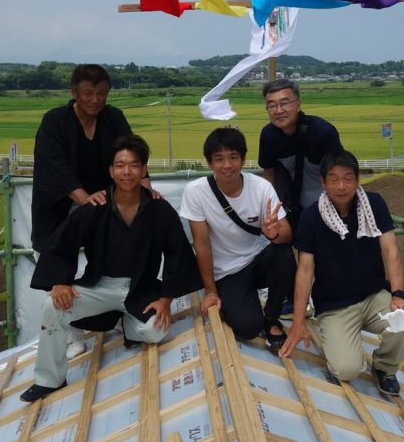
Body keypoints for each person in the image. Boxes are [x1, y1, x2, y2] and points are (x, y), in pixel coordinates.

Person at [20, 135, 201, 402]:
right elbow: (62, 242)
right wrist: (59, 281)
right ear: (111, 170)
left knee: (154, 332)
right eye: (120, 165)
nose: (127, 172)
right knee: (52, 306)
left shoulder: (160, 210)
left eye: (134, 165)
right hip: (100, 286)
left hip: (141, 289)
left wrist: (165, 300)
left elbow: (178, 253)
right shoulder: (96, 206)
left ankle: (129, 323)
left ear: (143, 169)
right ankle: (49, 379)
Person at [278, 149, 404, 397]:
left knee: (403, 322)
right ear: (323, 182)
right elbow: (305, 271)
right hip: (335, 305)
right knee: (346, 370)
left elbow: (390, 251)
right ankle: (342, 349)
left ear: (357, 179)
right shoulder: (311, 217)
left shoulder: (374, 204)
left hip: (373, 296)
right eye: (334, 179)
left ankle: (384, 367)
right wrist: (298, 322)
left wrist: (398, 295)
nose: (341, 186)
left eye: (348, 178)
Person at [180, 127, 295, 351]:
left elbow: (288, 234)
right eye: (219, 159)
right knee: (248, 327)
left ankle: (272, 318)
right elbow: (201, 244)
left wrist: (273, 234)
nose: (227, 165)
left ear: (243, 159)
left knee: (283, 253)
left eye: (234, 157)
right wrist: (210, 291)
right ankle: (240, 301)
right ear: (209, 162)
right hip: (228, 271)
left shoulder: (261, 187)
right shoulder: (196, 191)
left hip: (259, 259)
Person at [31, 63, 158, 252]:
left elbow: (133, 151)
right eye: (88, 93)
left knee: (107, 257)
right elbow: (55, 166)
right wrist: (84, 198)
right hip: (60, 206)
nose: (95, 100)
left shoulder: (113, 117)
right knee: (56, 263)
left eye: (102, 93)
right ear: (74, 92)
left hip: (103, 205)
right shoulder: (54, 121)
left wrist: (146, 188)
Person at [258, 78, 343, 228]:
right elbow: (269, 174)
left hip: (326, 209)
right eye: (272, 105)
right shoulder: (269, 135)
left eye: (284, 103)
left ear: (298, 104)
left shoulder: (323, 132)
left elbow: (340, 173)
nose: (278, 110)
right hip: (289, 207)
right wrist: (271, 209)